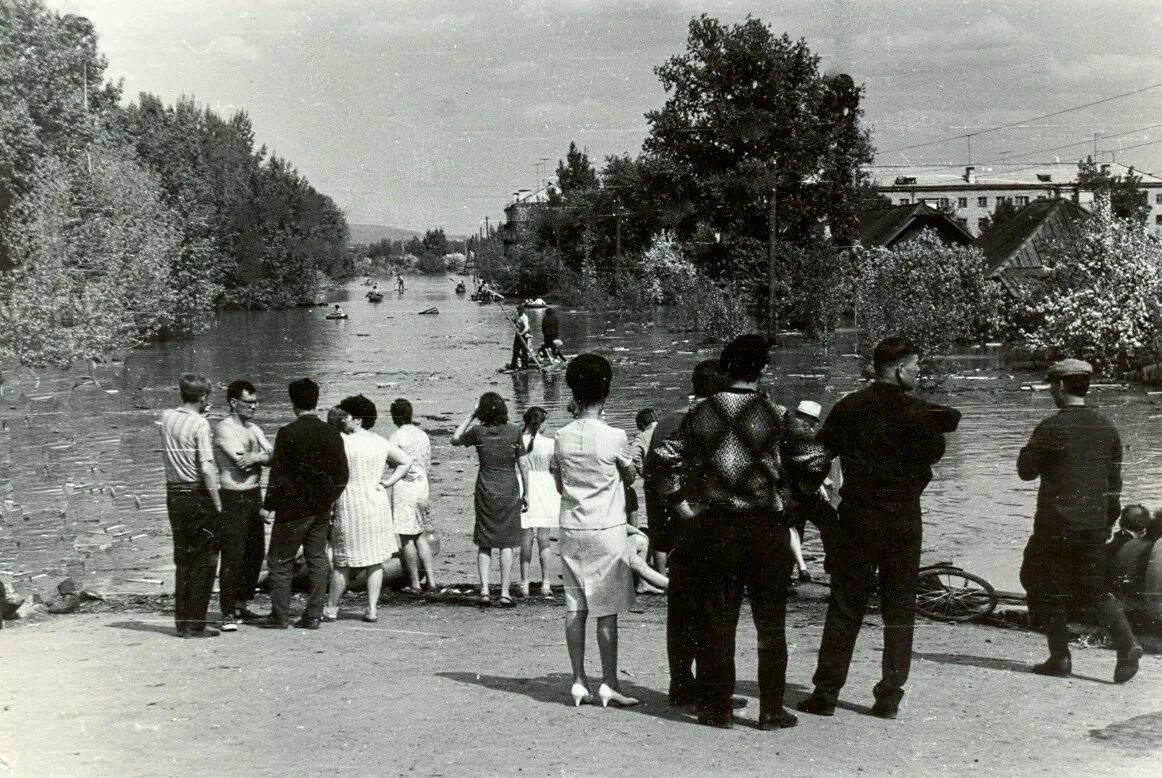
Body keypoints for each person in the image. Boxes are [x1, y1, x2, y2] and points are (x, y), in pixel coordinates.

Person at [655, 335, 828, 730]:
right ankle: (770, 710)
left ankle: (717, 708)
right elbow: (815, 459)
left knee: (719, 621)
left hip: (715, 527)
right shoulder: (777, 413)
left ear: (726, 368)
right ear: (763, 369)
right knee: (771, 623)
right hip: (765, 527)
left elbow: (664, 461)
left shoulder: (699, 414)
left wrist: (683, 505)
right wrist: (790, 493)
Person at [798, 336, 961, 720]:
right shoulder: (918, 412)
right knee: (899, 607)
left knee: (844, 605)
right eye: (916, 367)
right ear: (901, 369)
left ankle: (826, 693)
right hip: (904, 517)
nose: (919, 374)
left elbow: (814, 462)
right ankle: (889, 695)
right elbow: (935, 449)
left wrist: (821, 514)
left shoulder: (848, 407)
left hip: (858, 516)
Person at [1017, 358, 1143, 683]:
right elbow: (1114, 487)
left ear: (1059, 386)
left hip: (1055, 526)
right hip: (1094, 526)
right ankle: (1127, 643)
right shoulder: (1106, 427)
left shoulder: (1051, 427)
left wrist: (1029, 447)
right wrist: (1104, 524)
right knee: (1093, 590)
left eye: (1051, 386)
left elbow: (1026, 471)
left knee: (1043, 583)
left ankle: (1060, 657)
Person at [551, 353, 640, 708]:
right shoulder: (616, 436)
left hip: (572, 527)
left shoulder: (561, 436)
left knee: (575, 606)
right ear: (606, 390)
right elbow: (631, 477)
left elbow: (560, 485)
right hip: (607, 528)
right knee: (606, 610)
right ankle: (610, 682)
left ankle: (578, 681)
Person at [644, 359, 722, 706]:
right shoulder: (718, 422)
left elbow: (652, 479)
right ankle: (707, 685)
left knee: (680, 611)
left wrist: (661, 532)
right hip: (708, 527)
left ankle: (680, 681)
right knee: (711, 611)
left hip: (673, 531)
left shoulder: (666, 423)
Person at [261, 378, 350, 630]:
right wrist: (327, 499)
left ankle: (279, 615)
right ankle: (313, 615)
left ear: (293, 403)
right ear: (316, 400)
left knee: (280, 561)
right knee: (317, 560)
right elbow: (342, 475)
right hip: (320, 508)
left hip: (292, 509)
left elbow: (278, 475)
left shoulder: (287, 433)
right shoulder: (332, 433)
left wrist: (269, 505)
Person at [326, 395, 412, 623]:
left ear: (358, 420)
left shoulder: (342, 441)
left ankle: (332, 607)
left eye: (347, 416)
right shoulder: (381, 442)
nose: (344, 420)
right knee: (375, 561)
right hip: (376, 502)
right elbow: (406, 461)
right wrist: (388, 482)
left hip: (350, 502)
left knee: (343, 562)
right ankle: (372, 608)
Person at [160, 374, 223, 638]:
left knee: (183, 559)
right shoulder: (199, 424)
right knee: (205, 558)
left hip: (173, 492)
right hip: (196, 492)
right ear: (204, 396)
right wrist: (217, 501)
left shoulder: (165, 417)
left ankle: (182, 621)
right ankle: (196, 622)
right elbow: (207, 467)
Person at [452, 392, 529, 607]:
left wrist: (471, 415)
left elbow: (455, 439)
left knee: (485, 542)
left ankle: (485, 590)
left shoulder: (478, 431)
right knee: (507, 543)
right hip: (508, 487)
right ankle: (505, 592)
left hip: (485, 487)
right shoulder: (514, 431)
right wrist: (528, 493)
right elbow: (523, 464)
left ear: (483, 411)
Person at [212, 380, 273, 630]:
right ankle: (227, 611)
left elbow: (274, 455)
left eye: (256, 402)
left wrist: (258, 457)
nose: (254, 407)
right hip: (233, 496)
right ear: (233, 402)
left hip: (253, 496)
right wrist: (262, 457)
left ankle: (241, 604)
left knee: (254, 554)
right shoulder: (224, 429)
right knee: (233, 555)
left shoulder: (254, 429)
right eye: (249, 402)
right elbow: (241, 462)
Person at [388, 398, 439, 596]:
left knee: (405, 536)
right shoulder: (423, 435)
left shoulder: (396, 436)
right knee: (419, 534)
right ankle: (432, 580)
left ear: (395, 417)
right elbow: (427, 464)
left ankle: (415, 583)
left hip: (405, 487)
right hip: (422, 485)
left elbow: (392, 462)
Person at [518, 407, 559, 600]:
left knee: (526, 538)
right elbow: (554, 467)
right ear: (541, 423)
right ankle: (546, 582)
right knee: (544, 538)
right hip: (545, 487)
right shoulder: (550, 443)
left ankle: (524, 583)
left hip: (524, 485)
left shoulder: (518, 441)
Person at [509, 304, 533, 370]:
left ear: (523, 311)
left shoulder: (524, 317)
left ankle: (525, 365)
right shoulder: (517, 314)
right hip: (518, 333)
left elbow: (527, 327)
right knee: (515, 349)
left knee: (524, 350)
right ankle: (513, 365)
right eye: (519, 311)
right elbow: (514, 320)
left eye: (521, 311)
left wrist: (522, 333)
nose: (519, 312)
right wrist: (510, 319)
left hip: (524, 334)